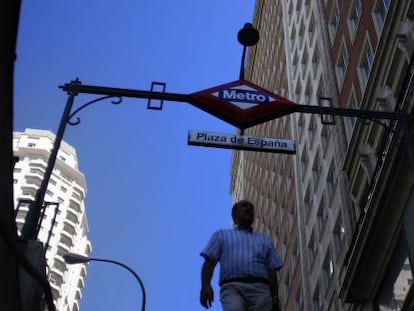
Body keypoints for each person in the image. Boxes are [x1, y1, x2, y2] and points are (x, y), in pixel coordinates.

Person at [199, 199, 283, 311]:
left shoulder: (265, 240)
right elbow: (209, 262)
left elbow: (271, 271)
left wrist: (275, 298)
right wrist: (205, 286)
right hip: (232, 288)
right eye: (244, 206)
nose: (248, 208)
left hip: (261, 290)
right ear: (234, 215)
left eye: (251, 207)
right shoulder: (221, 236)